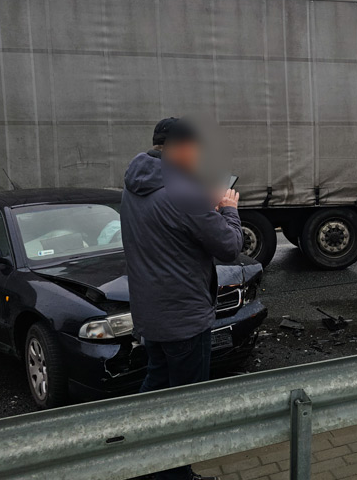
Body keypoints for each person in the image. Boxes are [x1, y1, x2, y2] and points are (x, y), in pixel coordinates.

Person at [120, 118, 242, 480]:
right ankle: (175, 474)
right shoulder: (185, 193)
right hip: (185, 319)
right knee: (187, 404)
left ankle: (143, 462)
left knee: (156, 389)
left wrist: (205, 211)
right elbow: (230, 247)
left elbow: (170, 234)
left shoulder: (134, 185)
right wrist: (228, 208)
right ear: (181, 148)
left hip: (151, 316)